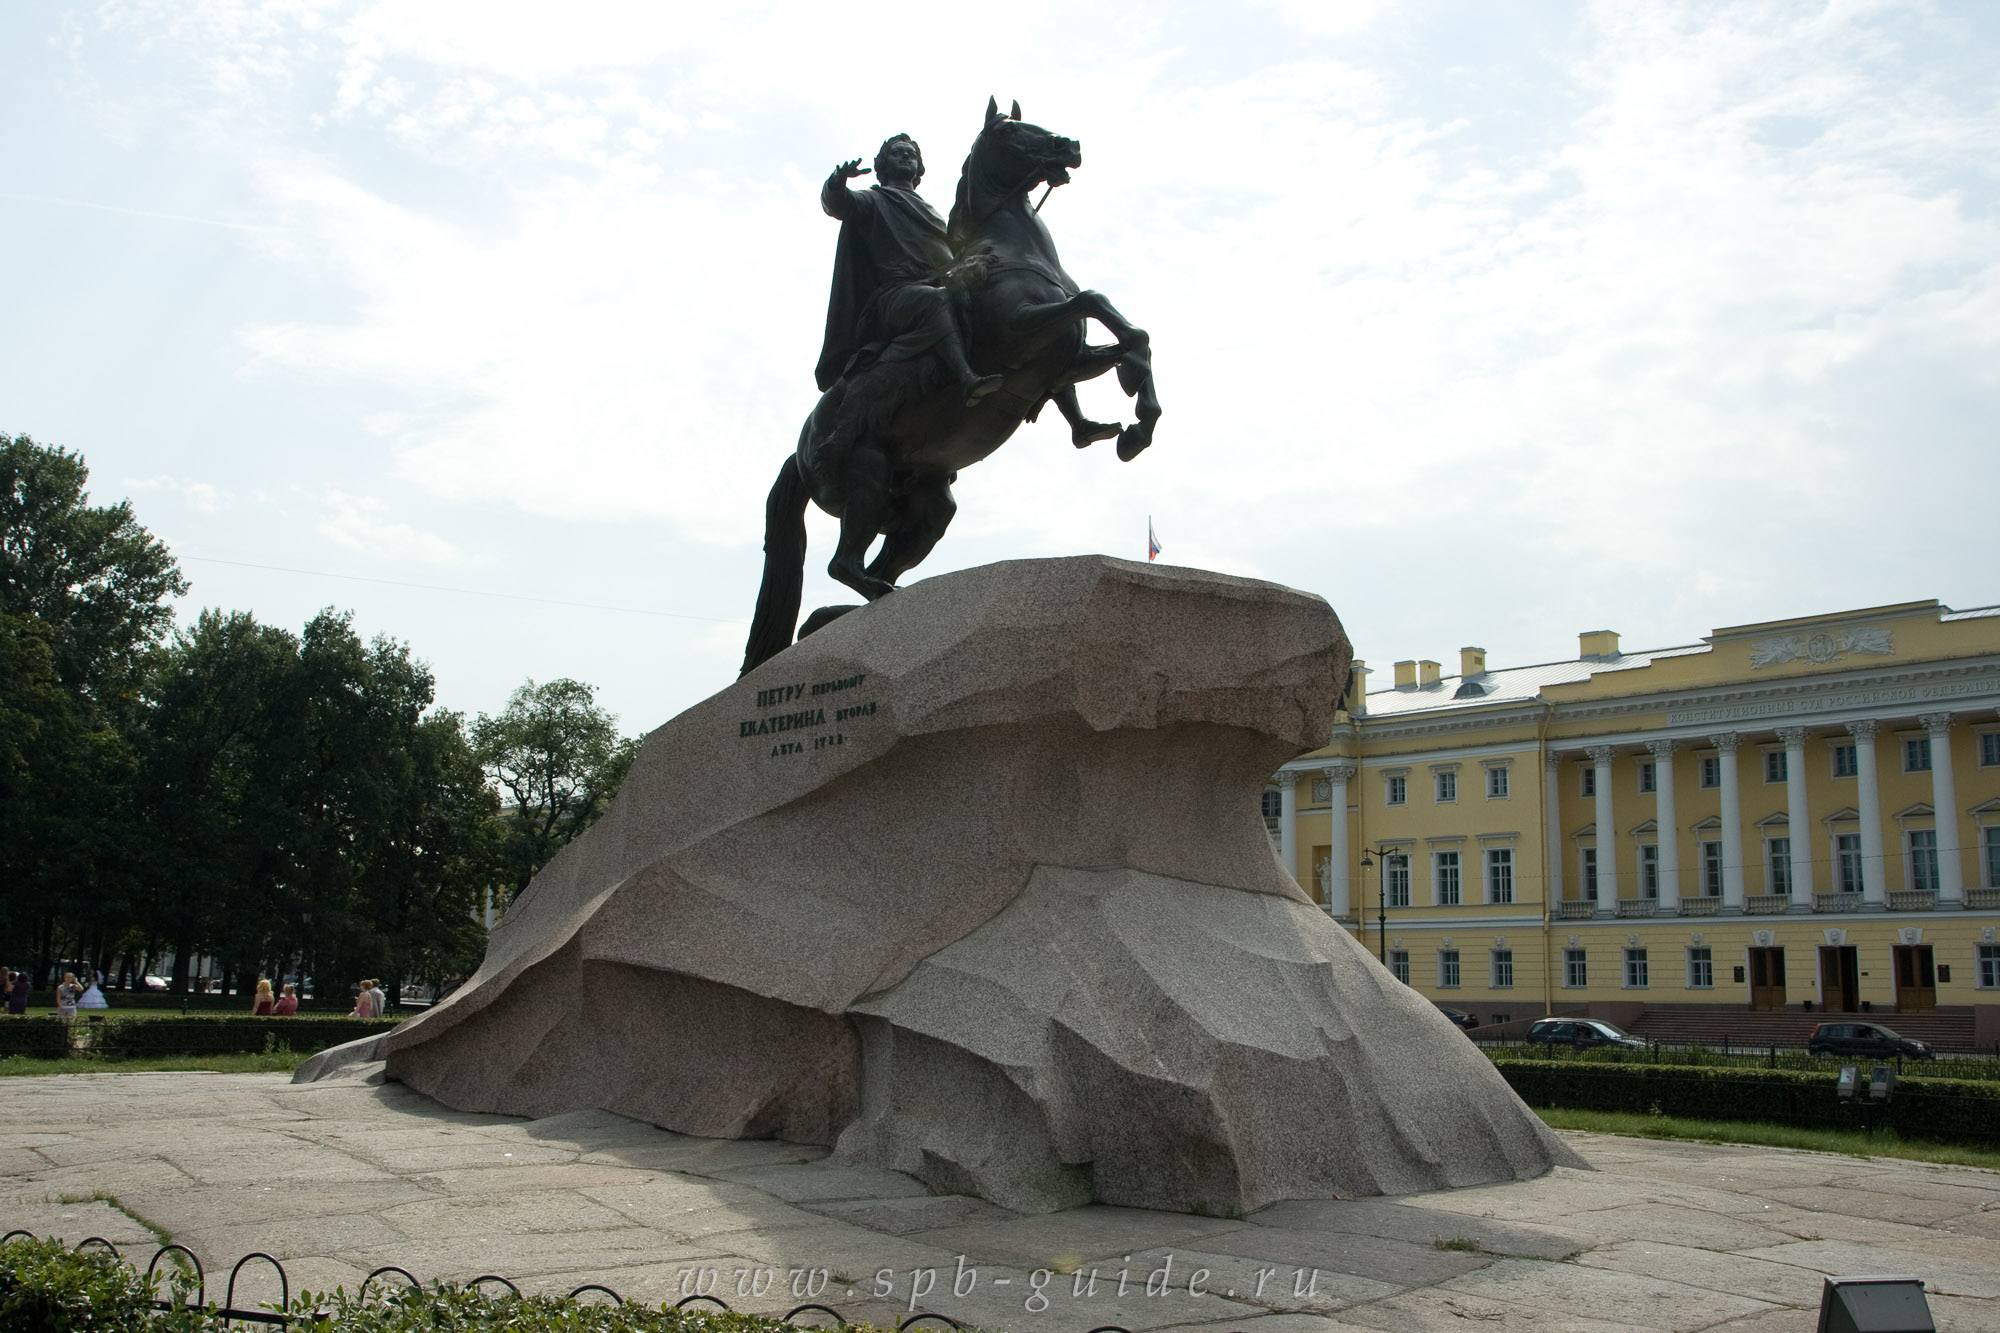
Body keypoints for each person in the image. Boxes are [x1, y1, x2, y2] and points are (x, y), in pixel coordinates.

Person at [816, 134, 1001, 408]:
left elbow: (956, 254)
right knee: (936, 300)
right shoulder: (873, 199)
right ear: (883, 166)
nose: (905, 157)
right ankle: (966, 378)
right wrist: (836, 182)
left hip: (938, 283)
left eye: (910, 154)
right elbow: (839, 204)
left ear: (918, 169)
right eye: (897, 153)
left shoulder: (934, 213)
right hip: (894, 296)